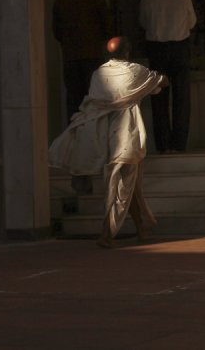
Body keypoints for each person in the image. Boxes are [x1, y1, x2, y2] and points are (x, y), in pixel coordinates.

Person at [48, 37, 168, 248]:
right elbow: (160, 82)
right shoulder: (134, 71)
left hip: (101, 135)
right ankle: (107, 232)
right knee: (121, 184)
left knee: (130, 186)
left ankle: (141, 228)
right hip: (125, 136)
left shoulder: (98, 74)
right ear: (128, 53)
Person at [139, 0, 197, 153]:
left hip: (157, 50)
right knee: (182, 98)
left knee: (159, 98)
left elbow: (143, 23)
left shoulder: (147, 0)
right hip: (179, 48)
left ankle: (163, 145)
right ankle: (179, 144)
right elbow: (192, 22)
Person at [52, 0, 112, 120]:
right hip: (92, 55)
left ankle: (75, 138)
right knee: (95, 99)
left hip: (71, 57)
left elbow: (57, 32)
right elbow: (107, 25)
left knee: (74, 102)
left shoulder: (60, 2)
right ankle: (95, 138)